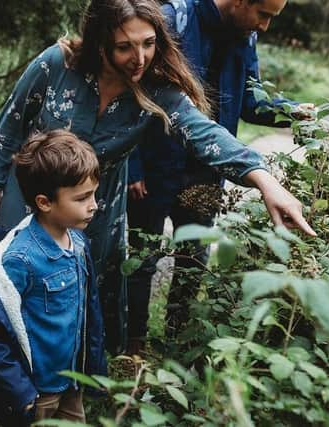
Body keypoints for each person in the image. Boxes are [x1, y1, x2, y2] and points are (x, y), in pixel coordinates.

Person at [0, 0, 315, 354]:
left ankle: (67, 385)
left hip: (96, 206)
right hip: (31, 194)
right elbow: (13, 120)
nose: (139, 57)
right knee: (14, 284)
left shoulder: (156, 90)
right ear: (100, 42)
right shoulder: (57, 64)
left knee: (76, 294)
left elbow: (206, 135)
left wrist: (265, 180)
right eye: (125, 46)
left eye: (148, 43)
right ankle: (2, 386)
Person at [125, 0, 315, 353]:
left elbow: (250, 102)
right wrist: (131, 164)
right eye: (264, 14)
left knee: (193, 258)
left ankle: (177, 343)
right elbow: (131, 89)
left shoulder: (246, 36)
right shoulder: (171, 20)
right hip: (153, 167)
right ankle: (132, 348)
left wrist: (294, 113)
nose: (266, 26)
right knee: (142, 258)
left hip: (209, 171)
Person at [0, 130, 107, 426]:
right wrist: (20, 394)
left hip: (70, 382)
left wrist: (93, 369)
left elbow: (88, 312)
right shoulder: (17, 260)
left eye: (94, 194)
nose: (94, 205)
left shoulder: (78, 244)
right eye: (82, 198)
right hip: (35, 393)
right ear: (45, 202)